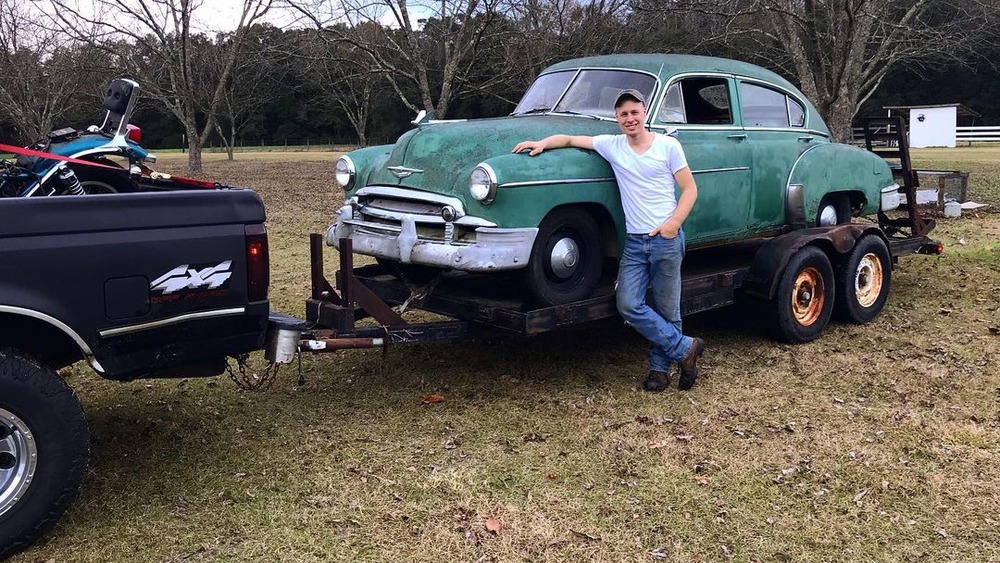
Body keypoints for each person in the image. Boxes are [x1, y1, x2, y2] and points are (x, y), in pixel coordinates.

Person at [512, 89, 704, 391]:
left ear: (644, 112)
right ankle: (685, 348)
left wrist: (673, 224)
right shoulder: (612, 145)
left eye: (634, 112)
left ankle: (658, 370)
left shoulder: (668, 146)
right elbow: (570, 139)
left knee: (668, 308)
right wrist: (542, 143)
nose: (630, 118)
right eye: (623, 114)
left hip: (665, 240)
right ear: (617, 118)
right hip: (635, 243)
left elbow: (690, 189)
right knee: (628, 303)